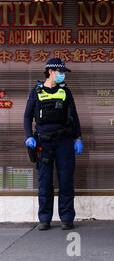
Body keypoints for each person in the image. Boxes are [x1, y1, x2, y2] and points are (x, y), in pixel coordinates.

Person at [23, 58, 83, 231]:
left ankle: (66, 218)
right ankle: (44, 219)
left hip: (64, 141)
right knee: (45, 182)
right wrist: (28, 136)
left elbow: (75, 116)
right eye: (60, 72)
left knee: (66, 181)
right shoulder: (36, 91)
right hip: (43, 142)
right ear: (50, 72)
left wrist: (78, 138)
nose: (62, 75)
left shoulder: (66, 92)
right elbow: (27, 116)